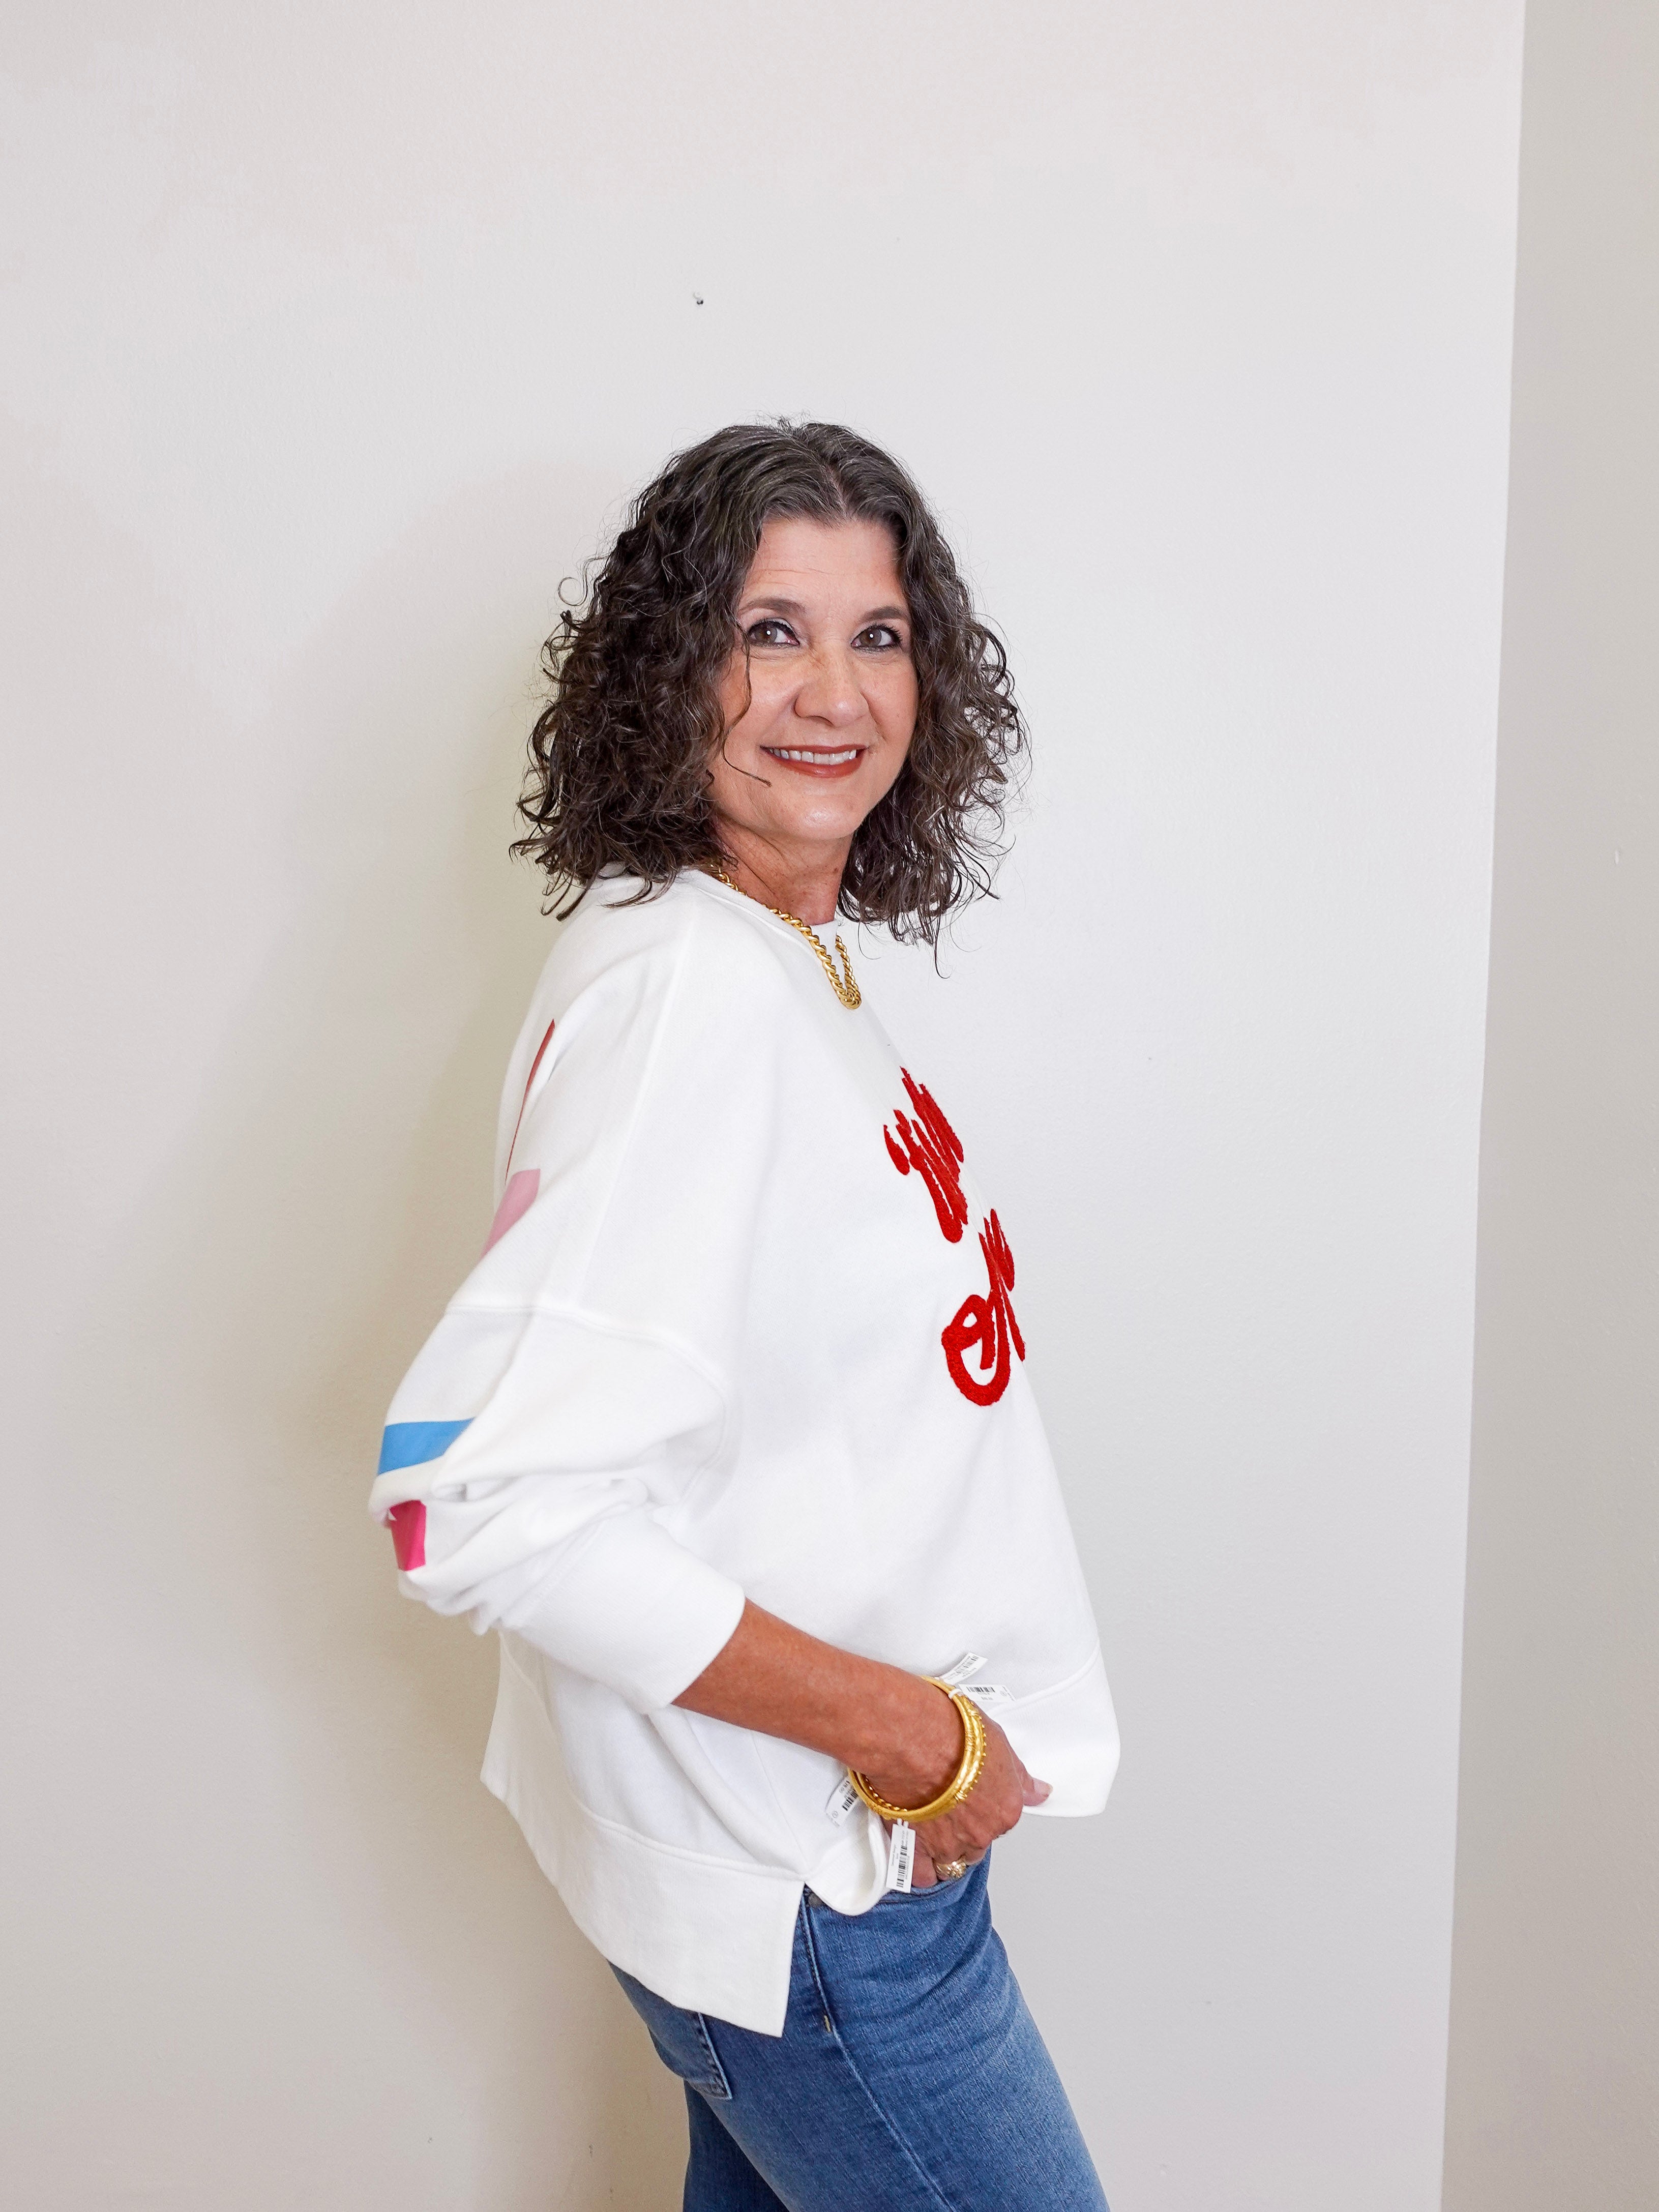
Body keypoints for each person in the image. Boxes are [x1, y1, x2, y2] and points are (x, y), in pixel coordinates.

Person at [370, 421, 1119, 2210]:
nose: (833, 693)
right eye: (769, 629)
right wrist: (907, 1735)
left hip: (803, 1871)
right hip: (822, 1884)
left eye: (877, 635)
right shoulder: (689, 998)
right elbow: (470, 1500)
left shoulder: (755, 952)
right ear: (670, 666)